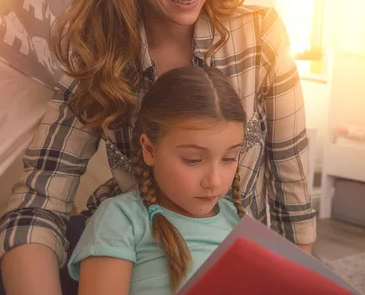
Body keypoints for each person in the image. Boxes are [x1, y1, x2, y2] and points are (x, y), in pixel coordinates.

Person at [0, 0, 316, 293]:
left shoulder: (260, 36)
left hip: (229, 267)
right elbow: (38, 206)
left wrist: (298, 280)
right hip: (130, 257)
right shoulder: (98, 55)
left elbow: (291, 196)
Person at [69, 66, 247, 294]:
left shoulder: (239, 220)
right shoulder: (122, 220)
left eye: (229, 158)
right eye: (192, 160)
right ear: (150, 150)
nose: (214, 180)